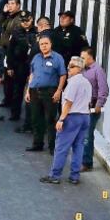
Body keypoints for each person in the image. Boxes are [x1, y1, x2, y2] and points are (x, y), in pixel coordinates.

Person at [40, 56, 92, 185]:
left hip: (72, 117)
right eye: (69, 65)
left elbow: (69, 103)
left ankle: (55, 175)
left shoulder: (74, 82)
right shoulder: (87, 82)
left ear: (79, 68)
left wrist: (61, 119)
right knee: (78, 147)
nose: (69, 68)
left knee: (61, 147)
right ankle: (74, 176)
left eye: (72, 66)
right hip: (85, 116)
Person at [25, 35, 66, 154]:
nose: (44, 46)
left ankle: (53, 147)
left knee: (50, 120)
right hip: (34, 91)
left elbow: (63, 75)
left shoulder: (57, 58)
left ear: (51, 44)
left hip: (50, 92)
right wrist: (28, 90)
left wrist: (59, 91)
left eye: (46, 43)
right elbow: (32, 74)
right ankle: (37, 144)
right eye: (41, 44)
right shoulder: (36, 58)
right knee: (36, 119)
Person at [79, 47, 109, 171]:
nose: (81, 60)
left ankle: (86, 163)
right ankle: (81, 159)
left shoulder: (98, 70)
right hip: (81, 105)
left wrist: (99, 104)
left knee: (87, 135)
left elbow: (103, 89)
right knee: (81, 134)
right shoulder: (82, 70)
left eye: (83, 58)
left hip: (92, 106)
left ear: (90, 58)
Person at [6, 11, 36, 124]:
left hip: (32, 65)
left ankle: (30, 118)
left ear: (31, 19)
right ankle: (15, 113)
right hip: (19, 64)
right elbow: (10, 50)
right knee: (17, 90)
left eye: (27, 21)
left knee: (32, 92)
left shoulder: (36, 32)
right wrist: (9, 66)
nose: (25, 23)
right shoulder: (16, 32)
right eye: (23, 21)